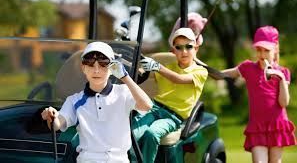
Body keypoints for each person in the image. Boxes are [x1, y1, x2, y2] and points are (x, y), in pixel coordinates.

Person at [41, 42, 153, 163]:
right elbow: (57, 124)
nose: (96, 70)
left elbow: (146, 106)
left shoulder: (123, 92)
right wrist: (51, 115)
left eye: (103, 64)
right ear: (83, 68)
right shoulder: (74, 100)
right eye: (90, 64)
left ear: (112, 69)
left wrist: (125, 77)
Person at [132, 26, 208, 163]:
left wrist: (157, 66)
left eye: (189, 46)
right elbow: (144, 74)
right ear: (173, 51)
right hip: (154, 109)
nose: (184, 51)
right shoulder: (168, 67)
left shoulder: (200, 72)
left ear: (196, 48)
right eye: (179, 48)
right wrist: (140, 68)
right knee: (133, 133)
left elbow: (178, 79)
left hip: (173, 117)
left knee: (152, 133)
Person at [221, 26, 296, 162]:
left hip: (277, 126)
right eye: (259, 50)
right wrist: (200, 67)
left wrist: (280, 78)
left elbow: (283, 103)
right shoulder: (248, 67)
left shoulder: (283, 72)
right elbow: (221, 74)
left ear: (276, 49)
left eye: (266, 50)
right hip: (257, 127)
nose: (262, 54)